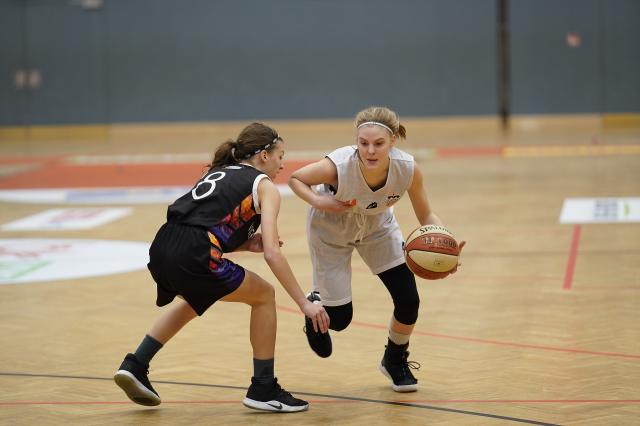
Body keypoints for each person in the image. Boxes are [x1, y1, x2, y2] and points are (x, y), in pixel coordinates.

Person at [114, 122, 330, 412]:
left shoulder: (219, 171)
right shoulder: (264, 186)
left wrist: (244, 245)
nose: (283, 164)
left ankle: (136, 364)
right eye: (280, 156)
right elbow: (273, 253)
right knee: (264, 295)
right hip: (196, 252)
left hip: (163, 245)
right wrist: (304, 303)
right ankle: (263, 387)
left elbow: (201, 224)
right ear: (264, 155)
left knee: (195, 299)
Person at [288, 106, 464, 392]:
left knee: (408, 300)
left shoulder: (407, 169)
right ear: (356, 141)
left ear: (393, 140)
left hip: (377, 227)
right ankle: (315, 306)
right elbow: (296, 178)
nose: (370, 151)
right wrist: (319, 201)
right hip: (331, 229)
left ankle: (394, 359)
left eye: (378, 143)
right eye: (364, 143)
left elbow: (426, 215)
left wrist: (447, 244)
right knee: (340, 319)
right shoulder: (337, 166)